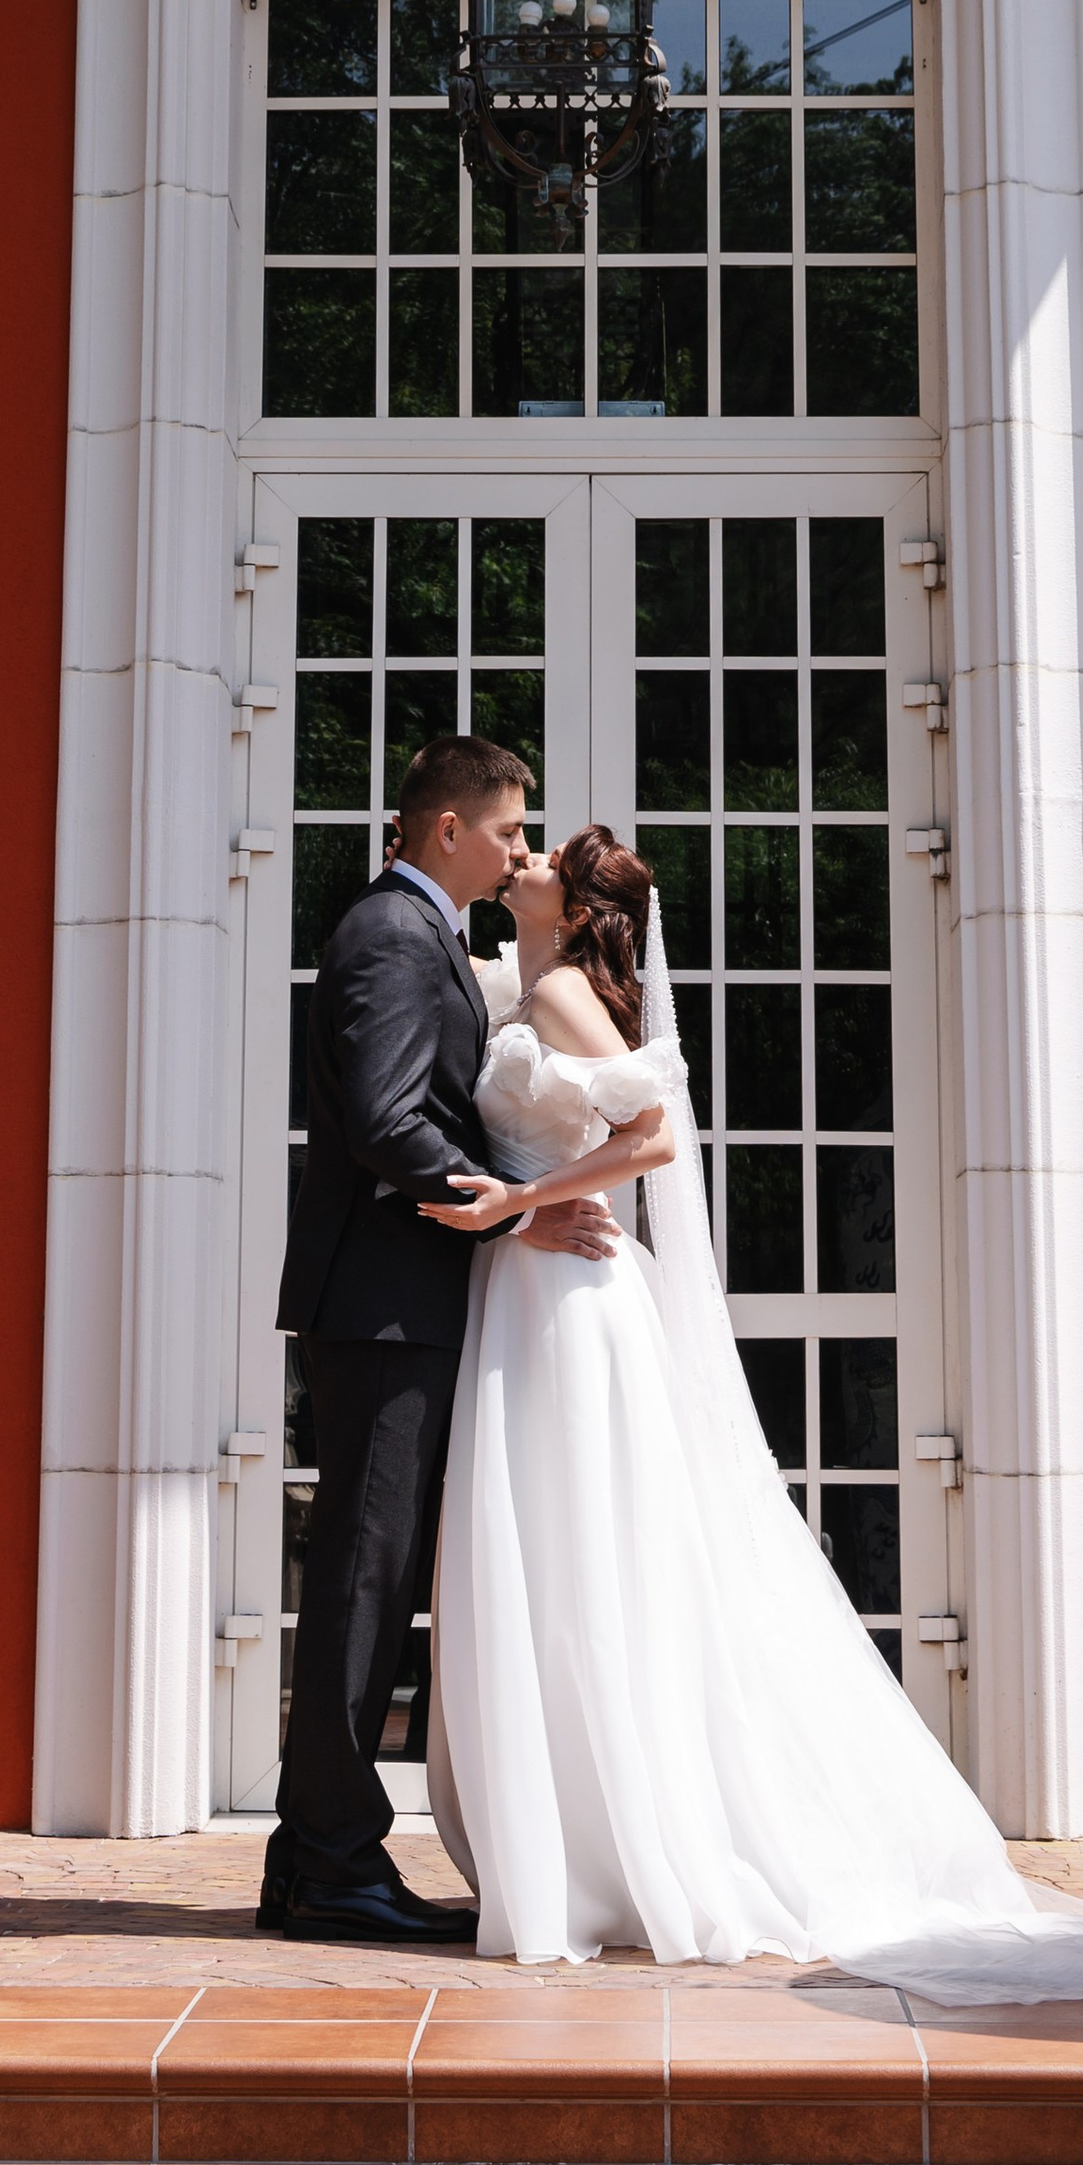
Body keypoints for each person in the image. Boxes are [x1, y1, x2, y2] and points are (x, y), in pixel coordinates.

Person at [415, 825, 1083, 1997]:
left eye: (544, 852)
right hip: (536, 1284)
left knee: (580, 1549)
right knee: (559, 1549)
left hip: (564, 1285)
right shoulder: (517, 981)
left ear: (575, 901)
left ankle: (607, 1842)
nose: (523, 854)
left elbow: (650, 1135)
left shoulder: (554, 995)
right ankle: (579, 1835)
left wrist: (525, 1197)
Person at [261, 734, 618, 1948]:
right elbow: (382, 1116)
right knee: (364, 1585)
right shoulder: (390, 930)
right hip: (382, 1301)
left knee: (375, 1582)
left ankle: (310, 1860)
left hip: (402, 1300)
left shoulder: (420, 935)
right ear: (449, 829)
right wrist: (507, 1202)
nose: (523, 849)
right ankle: (331, 1866)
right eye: (511, 830)